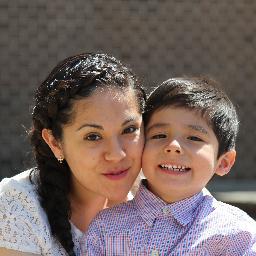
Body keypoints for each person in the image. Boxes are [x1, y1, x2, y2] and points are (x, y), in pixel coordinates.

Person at [82, 77, 256, 255]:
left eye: (194, 138)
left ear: (223, 162)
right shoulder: (106, 227)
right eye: (159, 135)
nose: (173, 146)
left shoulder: (237, 234)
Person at [0, 53, 146, 256]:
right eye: (93, 136)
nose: (116, 154)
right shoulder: (20, 206)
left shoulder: (163, 194)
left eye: (129, 129)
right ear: (55, 142)